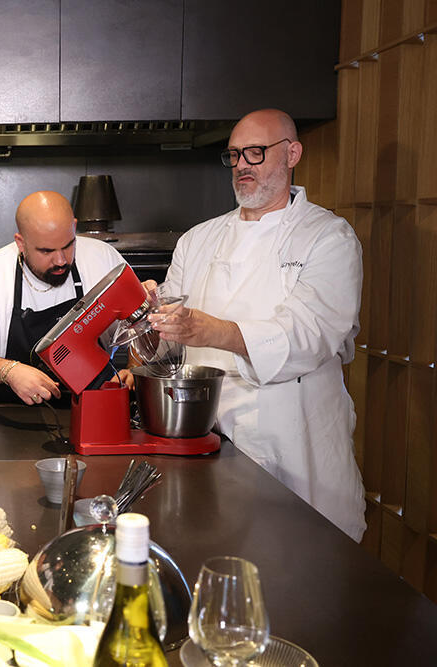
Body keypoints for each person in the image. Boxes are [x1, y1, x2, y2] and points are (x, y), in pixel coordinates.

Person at [153, 108, 366, 541]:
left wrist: (215, 331)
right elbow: (167, 346)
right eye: (234, 155)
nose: (242, 166)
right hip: (207, 431)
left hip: (291, 433)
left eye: (255, 152)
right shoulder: (198, 239)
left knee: (297, 565)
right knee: (213, 554)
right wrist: (149, 315)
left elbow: (311, 333)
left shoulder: (328, 237)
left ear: (292, 153)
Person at [0, 190, 126, 405]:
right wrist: (9, 371)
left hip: (96, 414)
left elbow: (139, 326)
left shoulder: (103, 258)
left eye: (69, 245)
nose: (61, 260)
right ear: (21, 243)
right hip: (12, 417)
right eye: (46, 251)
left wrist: (134, 371)